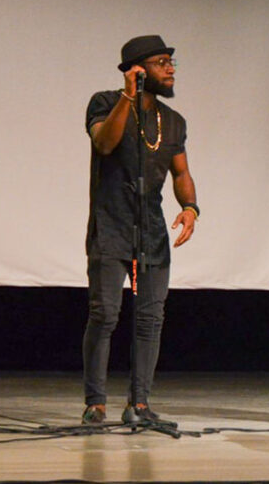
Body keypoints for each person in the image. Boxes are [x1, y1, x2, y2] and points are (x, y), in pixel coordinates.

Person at [82, 35, 198, 425]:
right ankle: (96, 403)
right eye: (161, 62)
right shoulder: (104, 103)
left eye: (171, 62)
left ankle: (140, 404)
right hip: (110, 225)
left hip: (152, 231)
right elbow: (104, 143)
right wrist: (128, 97)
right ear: (137, 69)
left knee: (150, 319)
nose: (170, 69)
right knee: (105, 314)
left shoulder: (173, 121)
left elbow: (181, 172)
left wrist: (190, 207)